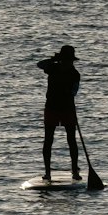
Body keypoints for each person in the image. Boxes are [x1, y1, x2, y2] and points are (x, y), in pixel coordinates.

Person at [37, 45, 82, 182]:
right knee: (48, 141)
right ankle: (47, 173)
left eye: (69, 60)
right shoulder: (53, 68)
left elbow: (74, 92)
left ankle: (74, 171)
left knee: (71, 141)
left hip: (67, 108)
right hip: (51, 108)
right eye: (66, 60)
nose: (68, 63)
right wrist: (54, 60)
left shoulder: (75, 74)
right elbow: (40, 64)